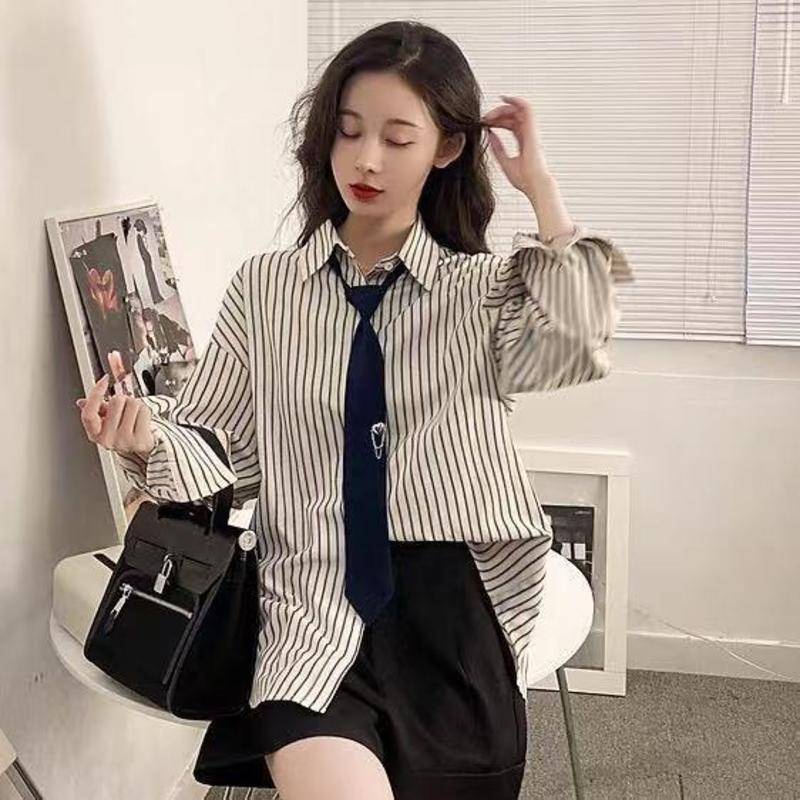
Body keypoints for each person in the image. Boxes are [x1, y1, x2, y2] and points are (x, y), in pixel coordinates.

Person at [76, 19, 634, 800]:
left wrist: (540, 185)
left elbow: (578, 344)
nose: (367, 159)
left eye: (398, 138)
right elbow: (221, 447)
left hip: (450, 611)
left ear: (446, 148)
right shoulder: (266, 286)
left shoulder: (479, 290)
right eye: (348, 131)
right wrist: (141, 440)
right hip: (310, 597)